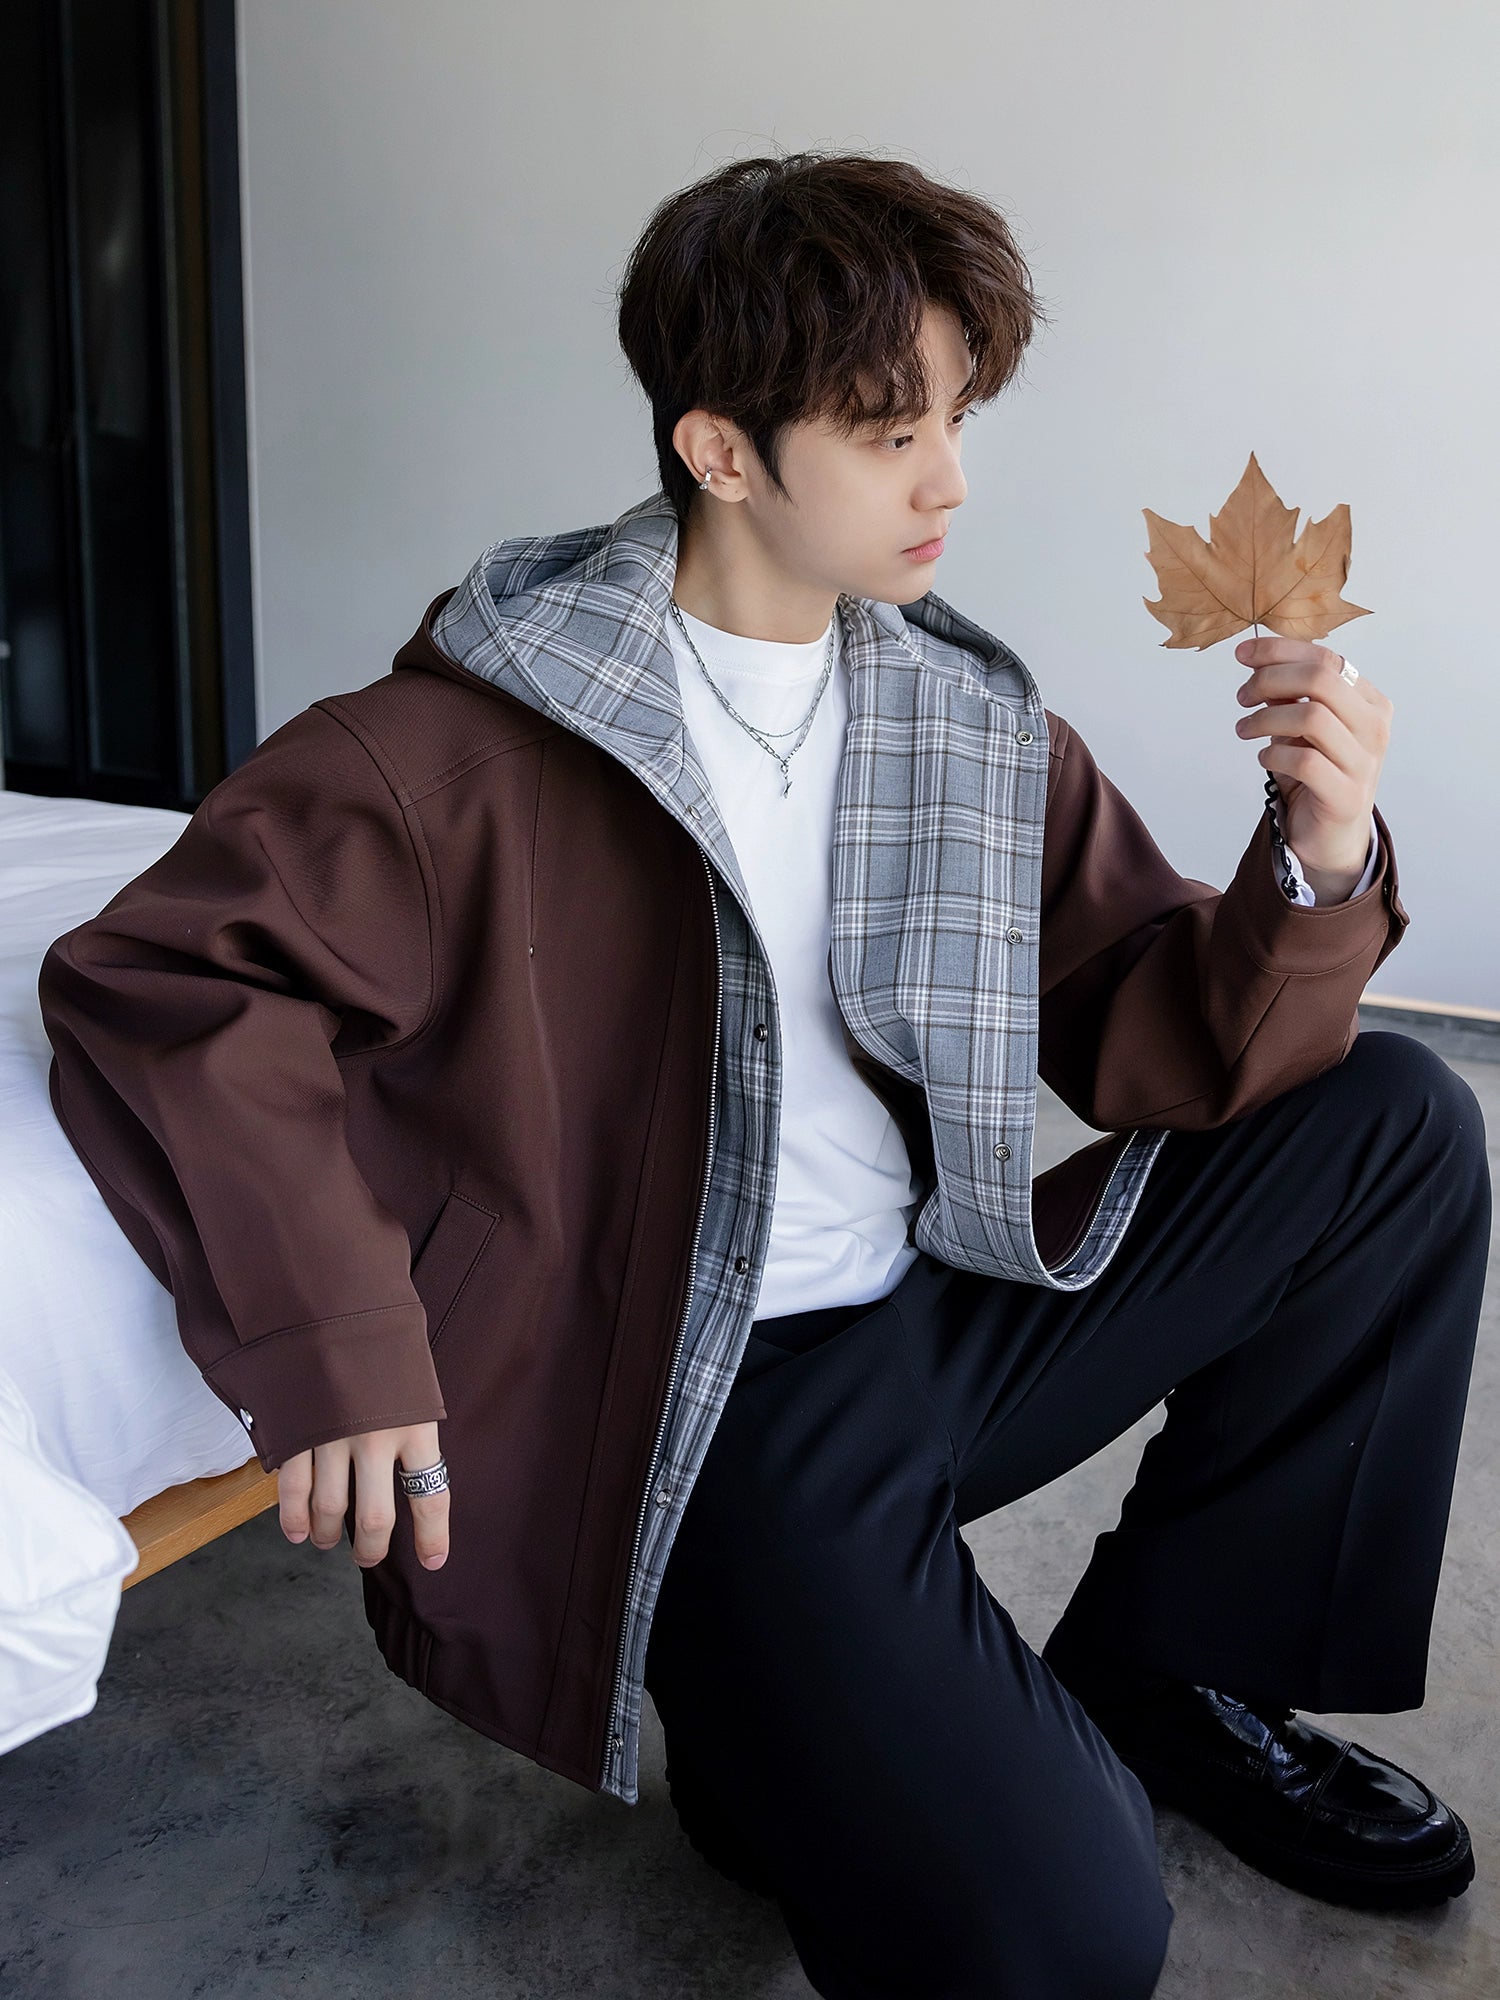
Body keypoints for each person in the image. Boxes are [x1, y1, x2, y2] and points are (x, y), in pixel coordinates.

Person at [38, 150, 1488, 1999]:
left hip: (949, 1307)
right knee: (1065, 1937)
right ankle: (785, 1716)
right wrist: (339, 1339)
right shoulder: (454, 753)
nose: (949, 481)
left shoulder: (964, 721)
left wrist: (1321, 863)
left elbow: (1152, 1028)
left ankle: (1169, 1673)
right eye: (890, 434)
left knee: (1397, 1126)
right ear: (720, 450)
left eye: (955, 420)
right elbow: (172, 979)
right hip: (700, 1409)